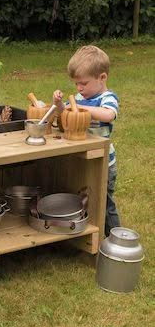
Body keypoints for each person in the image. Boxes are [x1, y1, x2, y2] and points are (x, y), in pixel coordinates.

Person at [53, 45, 120, 236]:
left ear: (102, 78)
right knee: (82, 196)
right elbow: (64, 116)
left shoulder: (107, 98)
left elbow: (108, 115)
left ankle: (116, 236)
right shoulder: (80, 99)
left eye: (83, 83)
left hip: (104, 162)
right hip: (83, 157)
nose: (79, 88)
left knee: (104, 202)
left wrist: (83, 109)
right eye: (76, 84)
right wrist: (59, 104)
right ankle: (83, 229)